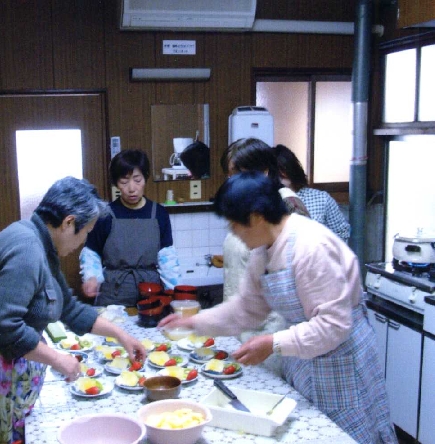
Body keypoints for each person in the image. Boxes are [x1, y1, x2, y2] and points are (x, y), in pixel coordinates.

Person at [159, 172, 397, 444]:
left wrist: (273, 342)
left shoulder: (311, 246)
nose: (232, 232)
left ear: (257, 217)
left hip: (342, 360)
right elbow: (245, 309)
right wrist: (194, 322)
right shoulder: (263, 251)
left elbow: (333, 325)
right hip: (304, 356)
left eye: (235, 224)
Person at [0, 177, 148, 444]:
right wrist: (57, 359)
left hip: (13, 363)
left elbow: (69, 308)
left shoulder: (41, 243)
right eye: (85, 232)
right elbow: (3, 323)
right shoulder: (27, 249)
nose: (84, 241)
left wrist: (121, 335)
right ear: (68, 223)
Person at [220, 138, 310, 375]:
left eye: (238, 174)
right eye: (229, 175)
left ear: (264, 171)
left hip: (272, 331)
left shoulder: (287, 205)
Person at [80, 149, 180, 307]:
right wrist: (91, 277)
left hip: (151, 293)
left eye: (137, 180)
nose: (131, 188)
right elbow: (91, 252)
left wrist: (175, 292)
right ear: (116, 183)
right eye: (124, 181)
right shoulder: (105, 215)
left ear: (145, 178)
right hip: (113, 293)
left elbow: (167, 258)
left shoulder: (159, 213)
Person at [273, 144, 351, 243]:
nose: (279, 179)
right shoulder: (266, 202)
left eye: (281, 174)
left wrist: (323, 248)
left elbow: (342, 232)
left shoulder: (321, 199)